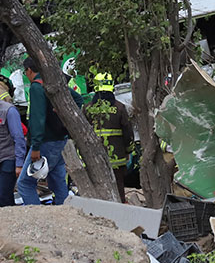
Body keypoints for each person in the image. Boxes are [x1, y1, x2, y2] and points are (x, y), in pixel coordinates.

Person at [16, 57, 81, 206]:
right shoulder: (53, 83)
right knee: (58, 182)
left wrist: (35, 147)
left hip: (46, 142)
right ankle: (64, 213)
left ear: (29, 70)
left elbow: (37, 119)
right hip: (61, 140)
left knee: (25, 184)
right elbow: (78, 99)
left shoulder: (37, 87)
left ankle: (37, 217)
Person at [85, 73, 133, 203]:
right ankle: (120, 206)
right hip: (117, 156)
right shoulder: (119, 107)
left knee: (98, 184)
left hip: (94, 157)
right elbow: (128, 132)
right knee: (118, 184)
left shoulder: (88, 108)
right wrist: (128, 151)